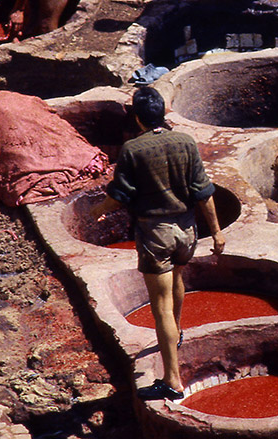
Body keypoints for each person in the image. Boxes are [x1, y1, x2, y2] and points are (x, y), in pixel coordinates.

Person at [90, 87, 225, 401]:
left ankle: (172, 381)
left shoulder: (133, 150)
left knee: (160, 308)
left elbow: (118, 196)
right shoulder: (186, 142)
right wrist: (217, 233)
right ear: (163, 113)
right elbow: (204, 193)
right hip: (186, 232)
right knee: (177, 279)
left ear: (137, 118)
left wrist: (98, 210)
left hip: (156, 235)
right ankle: (174, 335)